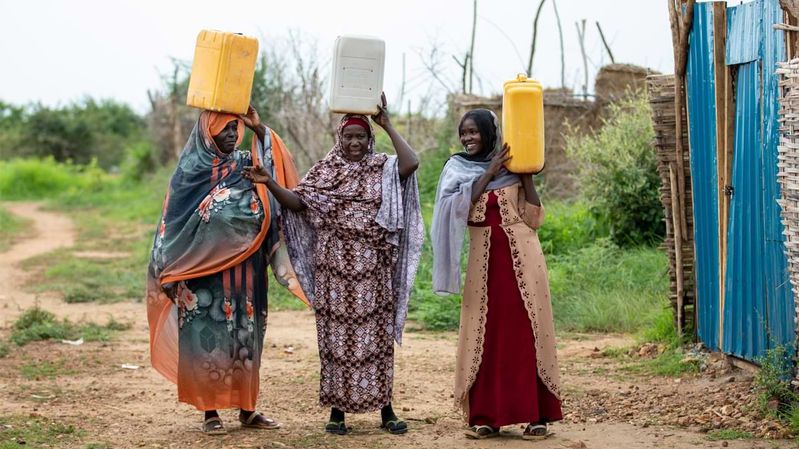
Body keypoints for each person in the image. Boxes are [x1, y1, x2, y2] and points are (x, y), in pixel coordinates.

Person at [243, 93, 423, 436]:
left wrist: (386, 124)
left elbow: (411, 163)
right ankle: (337, 412)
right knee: (336, 341)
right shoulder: (325, 170)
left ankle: (386, 410)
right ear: (339, 138)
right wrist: (270, 183)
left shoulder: (382, 167)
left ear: (369, 139)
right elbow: (298, 202)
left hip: (373, 268)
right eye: (349, 136)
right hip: (334, 270)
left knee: (377, 339)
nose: (355, 143)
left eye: (361, 137)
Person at [146, 105, 306, 435]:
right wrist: (173, 264)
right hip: (203, 277)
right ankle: (210, 412)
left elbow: (278, 166)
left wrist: (259, 128)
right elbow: (173, 223)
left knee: (247, 339)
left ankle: (248, 409)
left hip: (247, 273)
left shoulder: (246, 164)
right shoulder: (189, 172)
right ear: (208, 132)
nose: (233, 134)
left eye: (236, 128)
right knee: (207, 341)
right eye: (225, 129)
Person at [431, 108, 562, 440]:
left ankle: (536, 416)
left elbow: (534, 218)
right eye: (464, 132)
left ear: (489, 133)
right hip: (483, 265)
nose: (468, 138)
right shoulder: (456, 169)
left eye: (474, 131)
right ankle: (487, 416)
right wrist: (489, 173)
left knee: (524, 333)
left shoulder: (512, 166)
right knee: (487, 336)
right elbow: (454, 210)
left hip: (524, 260)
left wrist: (526, 174)